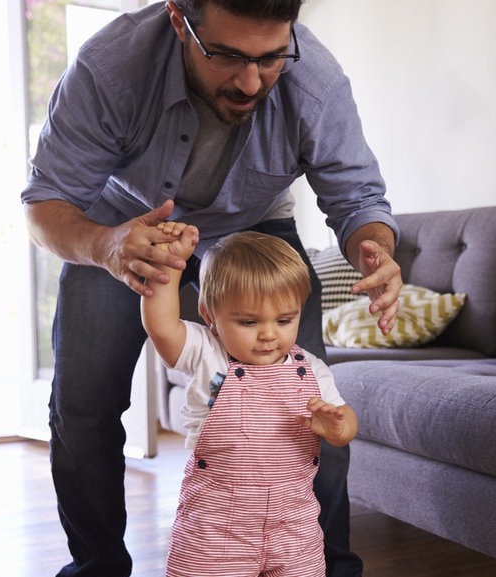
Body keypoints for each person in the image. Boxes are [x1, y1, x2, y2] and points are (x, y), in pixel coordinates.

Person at [20, 1, 401, 575]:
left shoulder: (316, 82)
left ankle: (327, 566)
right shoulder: (109, 68)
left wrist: (374, 250)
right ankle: (96, 568)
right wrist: (106, 246)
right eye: (227, 56)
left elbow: (359, 202)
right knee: (82, 406)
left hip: (256, 224)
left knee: (308, 404)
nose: (251, 82)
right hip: (123, 223)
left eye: (271, 58)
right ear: (180, 20)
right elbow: (45, 202)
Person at [142, 226, 357, 577]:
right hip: (216, 532)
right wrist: (171, 264)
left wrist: (339, 426)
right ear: (209, 315)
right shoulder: (206, 353)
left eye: (285, 320)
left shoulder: (312, 370)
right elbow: (161, 326)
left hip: (295, 531)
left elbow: (344, 421)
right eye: (248, 321)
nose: (269, 334)